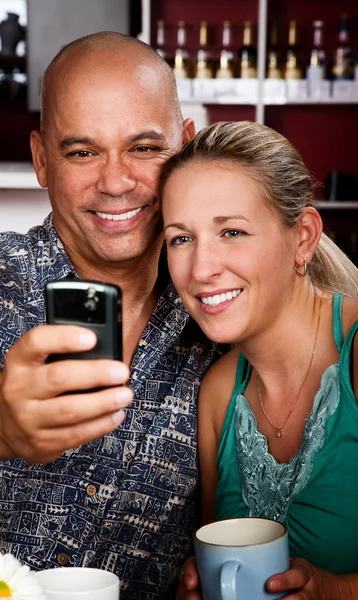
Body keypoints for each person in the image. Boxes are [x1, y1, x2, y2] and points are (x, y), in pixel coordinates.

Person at [0, 33, 221, 600]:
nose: (116, 181)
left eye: (146, 148)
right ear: (41, 161)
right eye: (82, 152)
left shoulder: (223, 311)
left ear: (186, 147)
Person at [160, 121, 358, 600]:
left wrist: (335, 591)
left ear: (304, 237)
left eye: (232, 231)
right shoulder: (218, 394)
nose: (202, 269)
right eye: (180, 238)